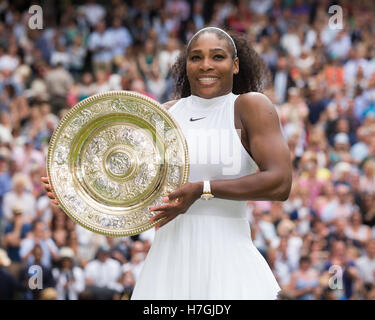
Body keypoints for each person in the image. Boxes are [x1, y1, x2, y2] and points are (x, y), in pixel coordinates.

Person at [42, 27, 292, 299]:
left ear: (234, 65)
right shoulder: (165, 114)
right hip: (167, 261)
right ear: (185, 66)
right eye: (196, 58)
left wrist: (202, 189)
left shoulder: (249, 106)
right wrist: (78, 192)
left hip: (228, 257)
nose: (206, 64)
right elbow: (137, 187)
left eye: (217, 57)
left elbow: (280, 182)